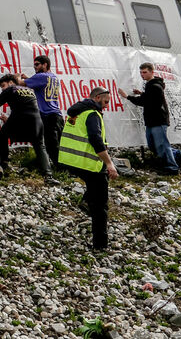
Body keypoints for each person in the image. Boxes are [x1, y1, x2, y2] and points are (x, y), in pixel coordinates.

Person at [61, 86, 120, 251]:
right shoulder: (92, 114)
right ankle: (100, 245)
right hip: (88, 163)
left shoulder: (78, 111)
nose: (107, 105)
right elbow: (95, 139)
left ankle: (87, 201)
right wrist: (109, 163)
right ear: (97, 98)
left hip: (73, 161)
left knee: (95, 192)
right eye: (106, 101)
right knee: (100, 206)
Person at [0, 73, 55, 181]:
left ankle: (4, 163)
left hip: (20, 119)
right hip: (37, 121)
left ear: (11, 83)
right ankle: (48, 175)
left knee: (3, 134)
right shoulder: (29, 90)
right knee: (40, 145)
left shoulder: (10, 90)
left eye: (3, 85)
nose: (2, 89)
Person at [126, 62, 181, 175]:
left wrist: (128, 97)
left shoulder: (154, 86)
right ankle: (177, 155)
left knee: (161, 144)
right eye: (141, 72)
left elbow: (146, 102)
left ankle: (172, 167)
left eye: (145, 72)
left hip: (158, 120)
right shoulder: (151, 85)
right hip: (152, 120)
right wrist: (142, 93)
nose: (142, 75)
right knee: (153, 145)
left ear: (152, 72)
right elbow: (150, 98)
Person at [20, 55, 64, 170]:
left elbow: (22, 83)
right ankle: (61, 166)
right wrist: (29, 78)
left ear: (45, 64)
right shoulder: (52, 76)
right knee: (59, 144)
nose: (35, 67)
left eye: (37, 64)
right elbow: (40, 86)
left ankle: (60, 169)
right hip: (57, 115)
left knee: (51, 145)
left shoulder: (41, 76)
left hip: (48, 116)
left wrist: (15, 77)